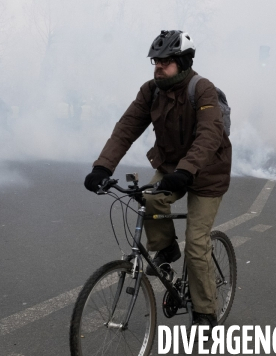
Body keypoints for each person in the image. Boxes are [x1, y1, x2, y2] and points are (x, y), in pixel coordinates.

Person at [84, 30, 232, 327]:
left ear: (182, 61)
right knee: (149, 198)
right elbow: (126, 128)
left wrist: (186, 171)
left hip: (206, 173)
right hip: (171, 166)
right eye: (156, 61)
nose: (158, 66)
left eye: (165, 61)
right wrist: (102, 167)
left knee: (197, 243)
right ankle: (166, 248)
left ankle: (206, 313)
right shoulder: (151, 91)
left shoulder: (201, 89)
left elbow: (209, 135)